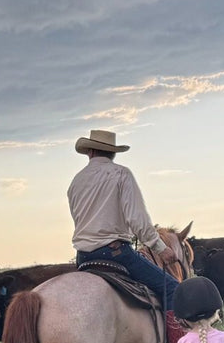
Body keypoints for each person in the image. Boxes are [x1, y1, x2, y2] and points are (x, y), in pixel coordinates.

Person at [68, 129, 182, 310]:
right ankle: (179, 340)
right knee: (174, 290)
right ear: (113, 153)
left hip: (83, 257)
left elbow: (78, 218)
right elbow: (137, 219)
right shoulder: (121, 174)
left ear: (90, 152)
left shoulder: (76, 181)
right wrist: (161, 249)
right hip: (116, 254)